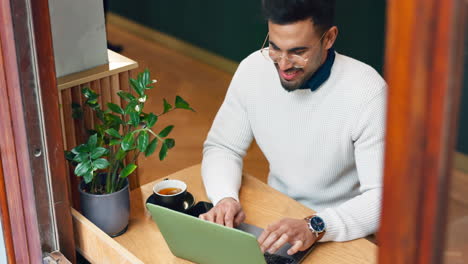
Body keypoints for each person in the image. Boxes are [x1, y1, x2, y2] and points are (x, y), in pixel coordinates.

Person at [200, 0, 386, 256]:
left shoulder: (368, 92)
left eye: (298, 51)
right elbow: (222, 147)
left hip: (342, 230)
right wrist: (224, 197)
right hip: (276, 212)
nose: (284, 65)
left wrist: (315, 226)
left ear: (329, 38)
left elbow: (382, 198)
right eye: (275, 48)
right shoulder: (253, 69)